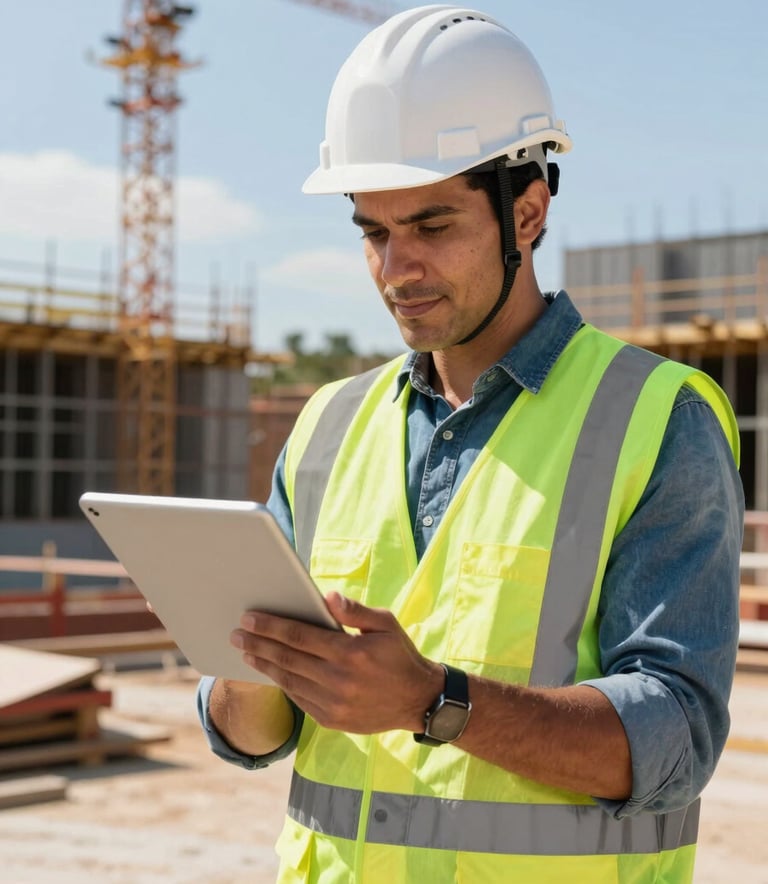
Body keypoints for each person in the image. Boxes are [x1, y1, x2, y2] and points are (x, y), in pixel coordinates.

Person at [197, 6, 744, 881]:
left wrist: (430, 701)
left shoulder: (655, 416)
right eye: (373, 232)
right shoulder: (326, 427)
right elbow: (249, 734)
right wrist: (253, 666)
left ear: (527, 214)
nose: (395, 270)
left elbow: (675, 740)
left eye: (432, 226)